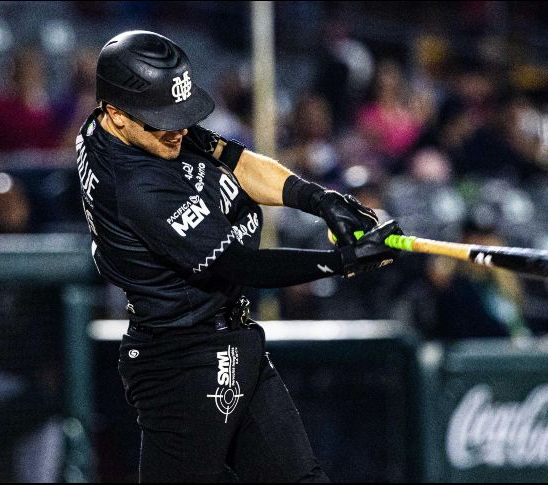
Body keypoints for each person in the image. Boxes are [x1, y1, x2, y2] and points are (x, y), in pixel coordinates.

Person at [76, 30, 402, 482]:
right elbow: (237, 264)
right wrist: (340, 261)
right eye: (162, 119)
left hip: (230, 341)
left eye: (180, 114)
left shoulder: (134, 130)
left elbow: (236, 160)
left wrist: (320, 199)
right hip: (181, 362)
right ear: (116, 114)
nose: (178, 129)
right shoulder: (134, 186)